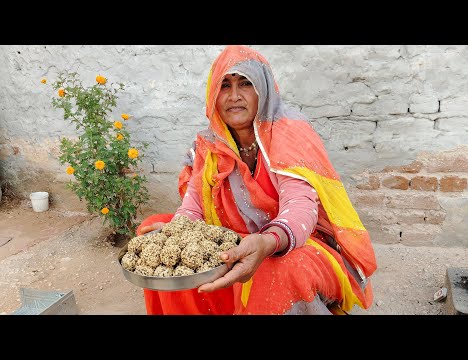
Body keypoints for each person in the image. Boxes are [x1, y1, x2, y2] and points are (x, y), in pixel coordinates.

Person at [136, 45, 377, 315]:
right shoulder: (210, 144)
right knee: (152, 231)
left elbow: (300, 206)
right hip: (237, 237)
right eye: (224, 86)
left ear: (263, 90)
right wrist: (174, 234)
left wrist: (266, 243)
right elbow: (194, 206)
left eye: (245, 84)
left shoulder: (288, 134)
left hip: (293, 241)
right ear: (213, 95)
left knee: (275, 268)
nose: (234, 96)